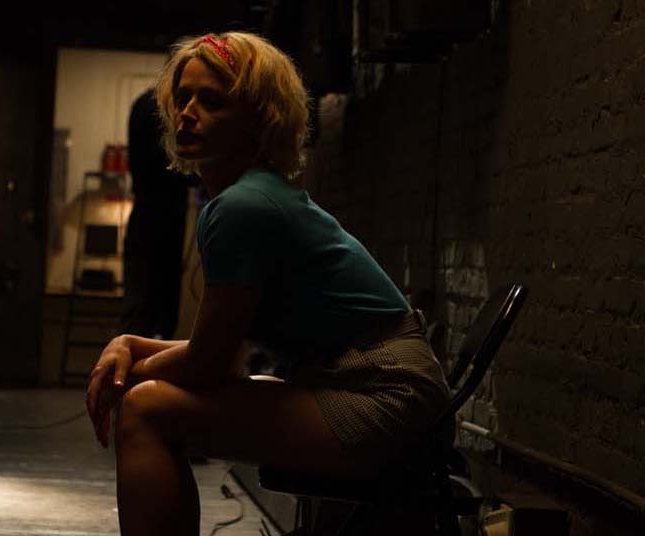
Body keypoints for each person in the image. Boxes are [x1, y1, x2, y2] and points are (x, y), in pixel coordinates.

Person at [84, 32, 451, 535]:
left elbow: (210, 364)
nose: (187, 113)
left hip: (385, 399)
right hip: (381, 390)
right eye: (182, 98)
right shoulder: (250, 197)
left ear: (259, 120)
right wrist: (128, 344)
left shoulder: (241, 208)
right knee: (151, 398)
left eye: (212, 101)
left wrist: (126, 372)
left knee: (145, 408)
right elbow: (218, 351)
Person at [120, 86, 194, 341]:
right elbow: (175, 167)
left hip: (146, 213)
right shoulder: (164, 108)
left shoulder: (144, 103)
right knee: (158, 315)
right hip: (165, 216)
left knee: (139, 309)